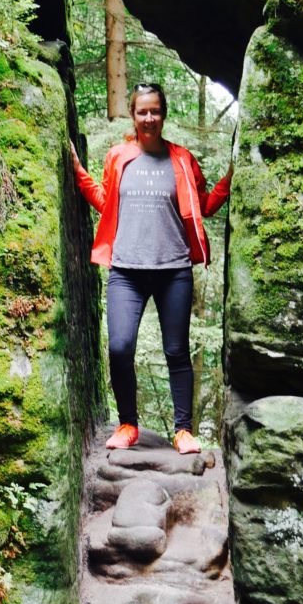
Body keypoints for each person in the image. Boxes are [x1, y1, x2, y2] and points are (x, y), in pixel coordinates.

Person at [70, 82, 232, 454]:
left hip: (173, 269)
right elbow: (106, 201)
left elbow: (204, 205)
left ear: (163, 114)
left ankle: (183, 431)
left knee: (176, 350)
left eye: (155, 111)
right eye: (142, 111)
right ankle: (128, 424)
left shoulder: (182, 159)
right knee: (120, 347)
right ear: (133, 114)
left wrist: (229, 180)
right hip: (126, 269)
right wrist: (79, 172)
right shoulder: (118, 157)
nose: (149, 118)